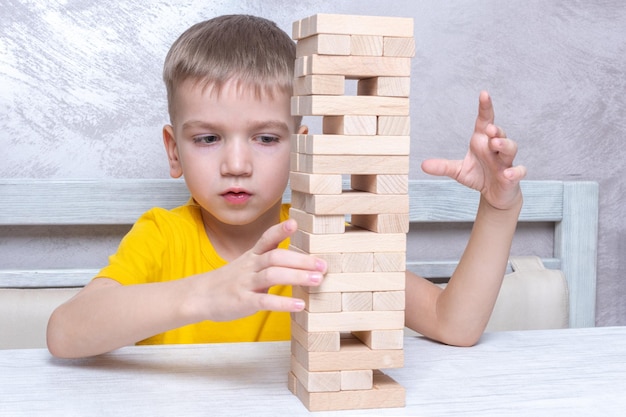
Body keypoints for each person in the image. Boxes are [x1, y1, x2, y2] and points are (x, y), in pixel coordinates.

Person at [46, 14, 526, 359]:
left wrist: (499, 208)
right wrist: (205, 294)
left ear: (300, 150)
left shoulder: (320, 241)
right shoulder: (161, 236)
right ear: (175, 150)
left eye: (266, 138)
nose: (237, 164)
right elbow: (64, 334)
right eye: (208, 138)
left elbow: (452, 323)